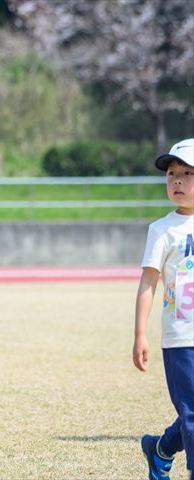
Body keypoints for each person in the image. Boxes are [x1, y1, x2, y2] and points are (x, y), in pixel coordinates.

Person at [134, 138, 193, 480]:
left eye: (188, 173)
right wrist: (140, 334)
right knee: (192, 414)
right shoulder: (161, 230)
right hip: (181, 339)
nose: (177, 181)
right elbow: (148, 283)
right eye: (172, 173)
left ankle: (160, 450)